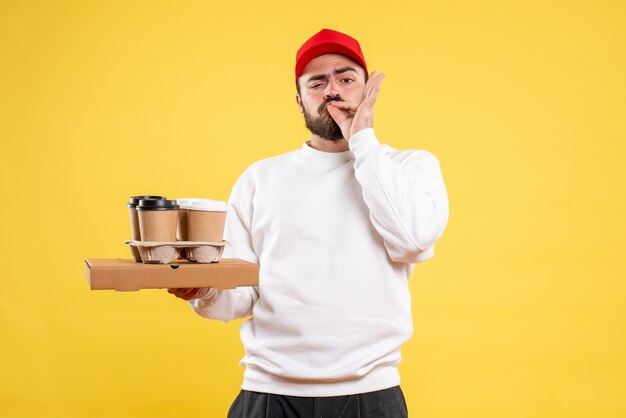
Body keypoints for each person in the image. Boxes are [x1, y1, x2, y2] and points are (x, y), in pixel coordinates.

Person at [168, 28, 449, 417]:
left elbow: (413, 240)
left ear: (367, 91)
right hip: (269, 394)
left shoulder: (410, 167)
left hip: (371, 395)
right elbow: (241, 295)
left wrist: (363, 139)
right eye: (318, 82)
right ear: (299, 100)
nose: (333, 91)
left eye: (346, 79)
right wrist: (203, 291)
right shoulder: (259, 179)